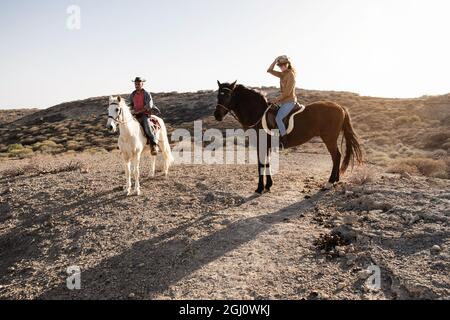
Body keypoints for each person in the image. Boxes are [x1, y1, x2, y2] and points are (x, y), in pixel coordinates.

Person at [267, 55, 298, 146]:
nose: (282, 67)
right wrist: (275, 60)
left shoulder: (291, 75)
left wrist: (275, 100)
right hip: (282, 102)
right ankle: (275, 139)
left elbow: (287, 93)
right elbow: (269, 70)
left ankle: (285, 140)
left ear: (288, 64)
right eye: (280, 65)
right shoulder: (282, 74)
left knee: (278, 118)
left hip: (289, 101)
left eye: (283, 64)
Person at [129, 77, 158, 155]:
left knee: (147, 128)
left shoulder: (146, 93)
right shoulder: (133, 94)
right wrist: (131, 110)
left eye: (138, 84)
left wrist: (139, 111)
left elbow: (149, 105)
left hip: (144, 114)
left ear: (142, 84)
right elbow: (131, 104)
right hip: (135, 115)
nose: (137, 85)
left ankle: (153, 145)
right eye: (136, 84)